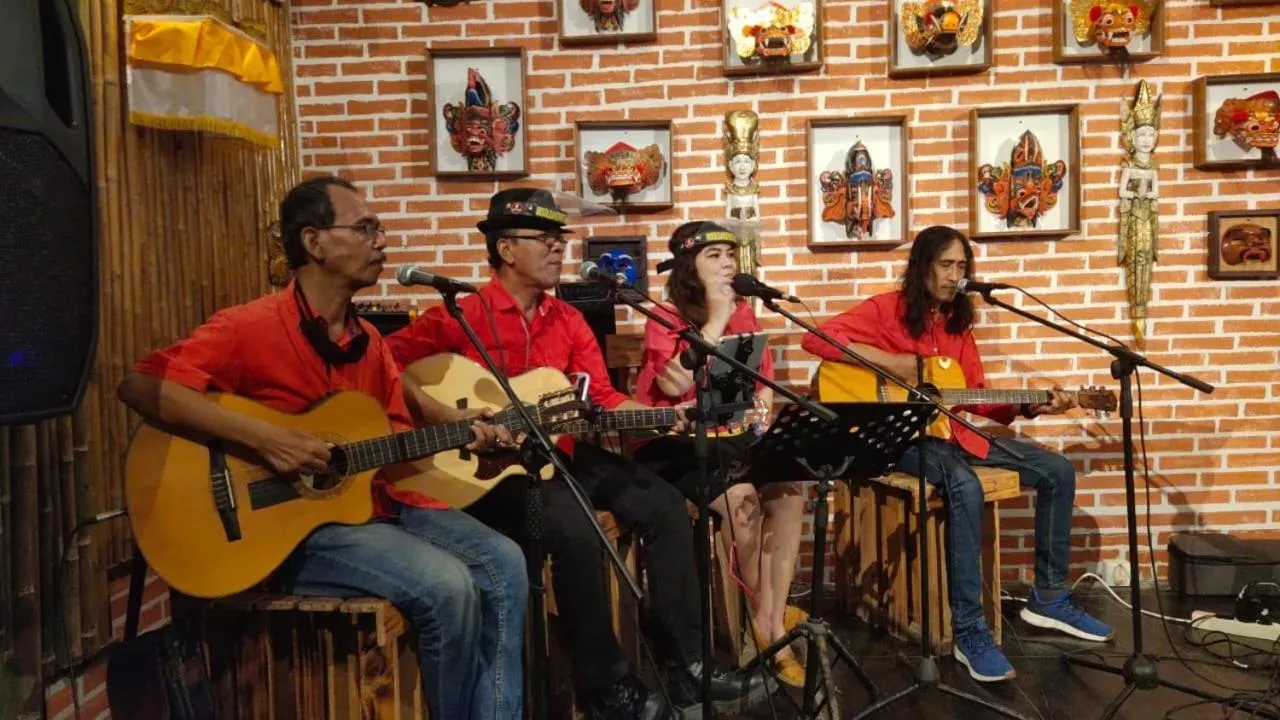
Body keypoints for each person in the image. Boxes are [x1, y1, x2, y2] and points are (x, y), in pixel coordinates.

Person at [116, 175, 529, 720]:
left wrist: (462, 437)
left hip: (370, 508)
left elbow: (392, 445)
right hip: (280, 530)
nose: (381, 240)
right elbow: (141, 385)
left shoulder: (368, 342)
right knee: (447, 586)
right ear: (313, 242)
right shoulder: (248, 327)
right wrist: (266, 437)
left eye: (378, 229)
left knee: (505, 562)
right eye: (365, 228)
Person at [385, 188, 769, 720]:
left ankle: (688, 667)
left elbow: (603, 400)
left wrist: (661, 416)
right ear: (505, 248)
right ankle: (608, 687)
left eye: (559, 239)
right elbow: (384, 361)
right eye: (544, 238)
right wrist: (439, 412)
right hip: (488, 472)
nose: (557, 248)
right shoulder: (462, 314)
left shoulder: (567, 319)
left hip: (557, 452)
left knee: (661, 504)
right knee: (575, 528)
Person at [800, 225, 1113, 683]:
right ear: (922, 266)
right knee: (963, 486)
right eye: (945, 264)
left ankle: (1048, 597)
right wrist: (894, 363)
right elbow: (817, 339)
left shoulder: (957, 326)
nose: (954, 275)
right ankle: (970, 630)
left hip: (951, 434)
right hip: (899, 440)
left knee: (1057, 470)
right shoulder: (885, 310)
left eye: (961, 266)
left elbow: (975, 396)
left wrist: (1030, 406)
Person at [631, 221, 806, 688]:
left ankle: (770, 618)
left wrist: (762, 412)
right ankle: (764, 626)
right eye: (715, 256)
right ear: (689, 266)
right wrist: (715, 318)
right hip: (672, 442)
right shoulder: (664, 315)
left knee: (790, 489)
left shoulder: (746, 313)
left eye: (731, 254)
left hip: (729, 435)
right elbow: (673, 384)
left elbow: (762, 385)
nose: (728, 263)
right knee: (741, 499)